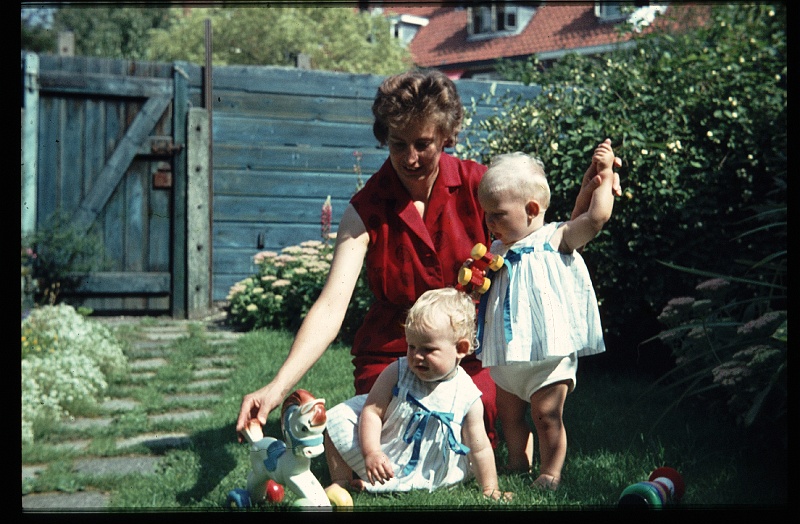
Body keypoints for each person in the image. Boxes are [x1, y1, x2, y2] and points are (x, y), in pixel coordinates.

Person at [235, 69, 620, 448]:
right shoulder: (366, 208)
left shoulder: (481, 188)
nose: (411, 158)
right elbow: (332, 306)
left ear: (447, 136)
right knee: (387, 428)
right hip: (396, 353)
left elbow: (542, 239)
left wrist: (595, 190)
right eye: (397, 144)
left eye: (423, 143)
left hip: (470, 351)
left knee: (478, 412)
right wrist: (276, 387)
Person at [474, 141, 616, 490]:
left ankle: (550, 472)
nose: (489, 222)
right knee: (509, 416)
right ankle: (517, 461)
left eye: (497, 214)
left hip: (548, 355)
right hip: (509, 354)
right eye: (487, 214)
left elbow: (594, 218)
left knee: (546, 415)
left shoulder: (557, 238)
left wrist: (607, 174)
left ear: (532, 209)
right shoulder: (496, 250)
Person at [323, 287, 511, 499]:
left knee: (441, 473)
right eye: (411, 346)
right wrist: (372, 452)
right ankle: (342, 480)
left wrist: (490, 487)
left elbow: (479, 448)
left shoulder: (467, 395)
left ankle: (383, 484)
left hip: (431, 465)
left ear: (460, 348)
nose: (416, 356)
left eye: (427, 349)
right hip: (386, 449)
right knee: (336, 420)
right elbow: (372, 412)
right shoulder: (398, 372)